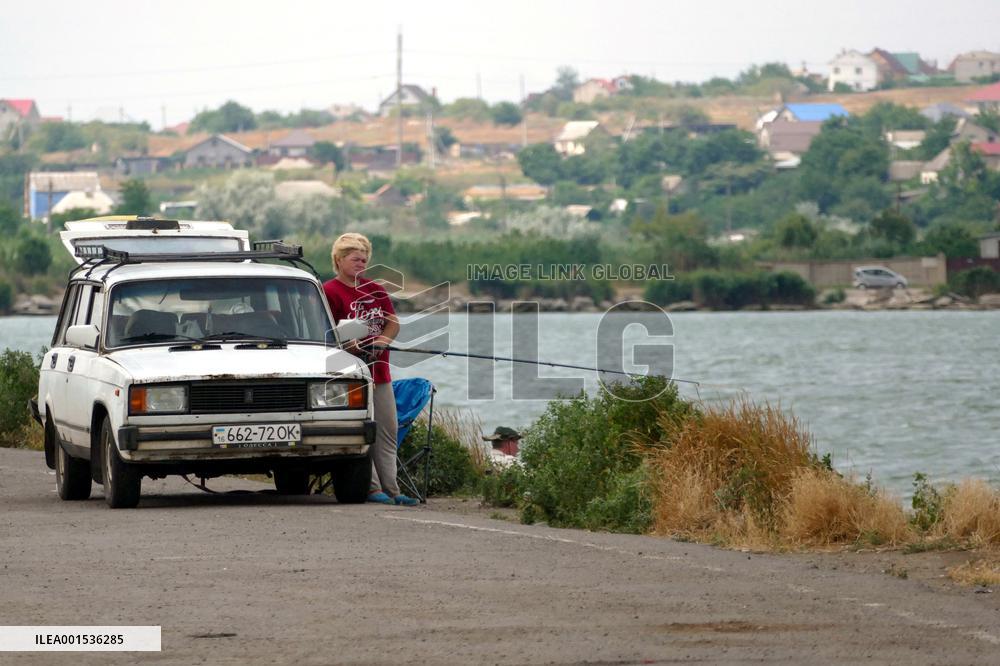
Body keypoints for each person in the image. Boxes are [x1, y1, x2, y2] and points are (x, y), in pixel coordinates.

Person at [323, 233, 418, 506]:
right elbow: (324, 330)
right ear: (339, 260)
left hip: (380, 372)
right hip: (350, 375)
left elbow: (392, 323)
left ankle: (393, 490)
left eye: (364, 259)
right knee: (363, 430)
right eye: (355, 258)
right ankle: (371, 488)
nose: (361, 263)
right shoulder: (329, 291)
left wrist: (383, 341)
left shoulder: (375, 289)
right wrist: (346, 343)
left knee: (387, 430)